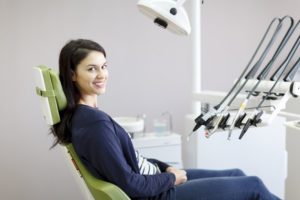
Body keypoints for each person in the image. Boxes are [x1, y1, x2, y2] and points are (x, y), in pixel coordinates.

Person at [51, 39, 281, 200]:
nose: (102, 74)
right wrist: (170, 179)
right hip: (157, 194)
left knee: (237, 175)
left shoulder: (89, 117)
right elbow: (130, 183)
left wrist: (165, 167)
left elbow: (133, 159)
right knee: (254, 186)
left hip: (156, 180)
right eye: (91, 69)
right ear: (72, 74)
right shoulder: (93, 125)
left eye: (104, 66)